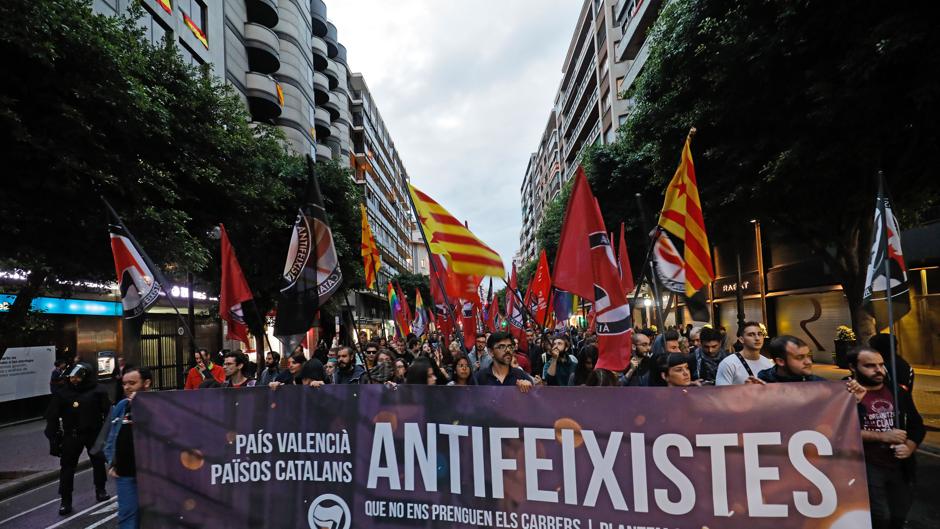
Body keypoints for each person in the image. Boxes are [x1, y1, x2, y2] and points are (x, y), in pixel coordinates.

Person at [848, 346, 925, 529]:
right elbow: (840, 432)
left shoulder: (898, 392)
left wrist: (910, 446)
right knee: (878, 516)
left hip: (899, 466)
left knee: (899, 514)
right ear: (853, 367)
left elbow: (916, 425)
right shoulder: (845, 393)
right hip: (865, 466)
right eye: (870, 366)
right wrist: (883, 436)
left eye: (881, 365)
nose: (879, 370)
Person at [44, 362, 110, 515]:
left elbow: (108, 413)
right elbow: (52, 416)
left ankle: (101, 489)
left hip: (93, 432)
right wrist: (53, 438)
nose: (74, 380)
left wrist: (105, 435)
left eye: (77, 377)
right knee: (67, 468)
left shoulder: (98, 390)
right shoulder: (63, 392)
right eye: (72, 376)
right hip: (72, 435)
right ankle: (65, 500)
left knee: (98, 462)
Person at [104, 366, 152, 529]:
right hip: (125, 474)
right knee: (127, 516)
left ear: (146, 383)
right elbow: (111, 438)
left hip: (152, 473)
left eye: (132, 383)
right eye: (124, 384)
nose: (127, 387)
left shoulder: (158, 405)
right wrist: (112, 463)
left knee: (154, 516)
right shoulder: (122, 406)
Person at [756, 335, 825, 383]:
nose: (809, 362)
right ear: (780, 361)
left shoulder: (820, 384)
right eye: (800, 357)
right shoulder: (763, 382)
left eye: (808, 355)